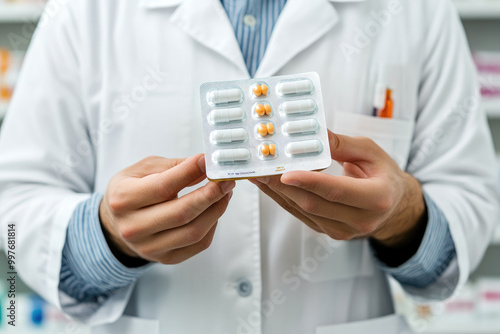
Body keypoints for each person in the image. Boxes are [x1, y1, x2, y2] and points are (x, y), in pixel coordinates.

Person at [0, 0, 498, 333]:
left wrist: (403, 216)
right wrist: (106, 236)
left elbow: (469, 195)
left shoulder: (415, 10)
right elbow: (14, 206)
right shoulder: (86, 11)